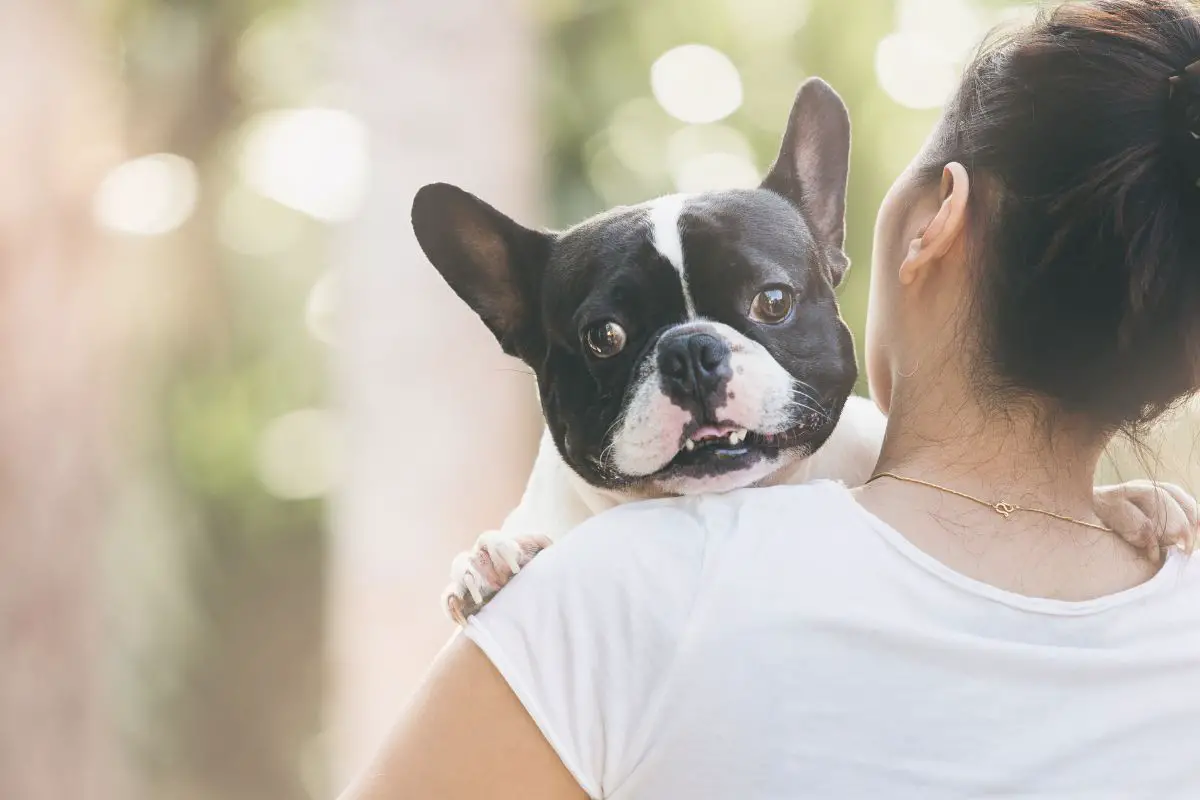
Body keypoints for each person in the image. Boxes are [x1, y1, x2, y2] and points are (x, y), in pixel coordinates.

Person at [341, 1, 1200, 797]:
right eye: (609, 339)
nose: (700, 368)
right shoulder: (1178, 605)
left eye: (770, 305)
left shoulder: (610, 595)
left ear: (930, 222)